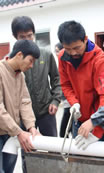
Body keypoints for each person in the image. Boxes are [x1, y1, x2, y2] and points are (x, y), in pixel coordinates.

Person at [57, 20, 104, 148]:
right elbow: (66, 85)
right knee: (77, 157)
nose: (73, 53)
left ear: (85, 39)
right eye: (68, 49)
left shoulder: (100, 60)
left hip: (97, 121)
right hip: (78, 118)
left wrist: (97, 127)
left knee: (98, 160)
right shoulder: (62, 57)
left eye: (77, 48)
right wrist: (74, 103)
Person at [11, 16, 62, 137]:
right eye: (22, 37)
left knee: (52, 148)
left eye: (29, 35)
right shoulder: (11, 60)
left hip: (46, 111)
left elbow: (57, 79)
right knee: (27, 150)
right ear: (15, 37)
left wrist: (55, 101)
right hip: (22, 116)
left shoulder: (45, 54)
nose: (27, 40)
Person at [0, 40, 41, 173]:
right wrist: (18, 132)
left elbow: (25, 101)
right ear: (19, 55)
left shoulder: (20, 76)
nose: (31, 65)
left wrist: (31, 126)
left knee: (8, 170)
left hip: (11, 133)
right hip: (6, 132)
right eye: (30, 60)